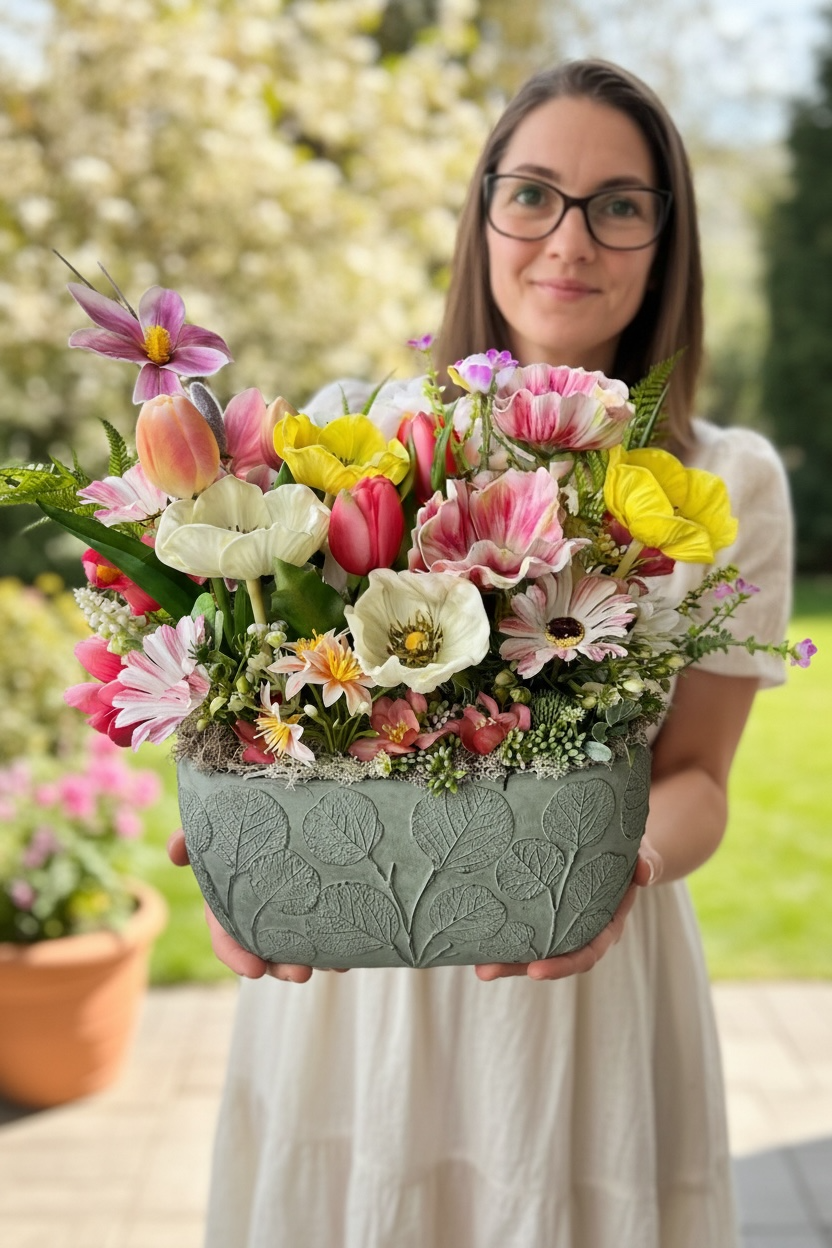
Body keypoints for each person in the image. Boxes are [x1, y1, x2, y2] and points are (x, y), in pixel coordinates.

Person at [168, 58, 792, 1248]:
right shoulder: (358, 428)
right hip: (355, 994)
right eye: (534, 194)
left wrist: (616, 872)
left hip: (585, 987)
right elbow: (262, 696)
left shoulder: (723, 482)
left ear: (666, 238)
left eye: (619, 204)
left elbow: (700, 780)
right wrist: (241, 852)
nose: (571, 239)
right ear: (484, 213)